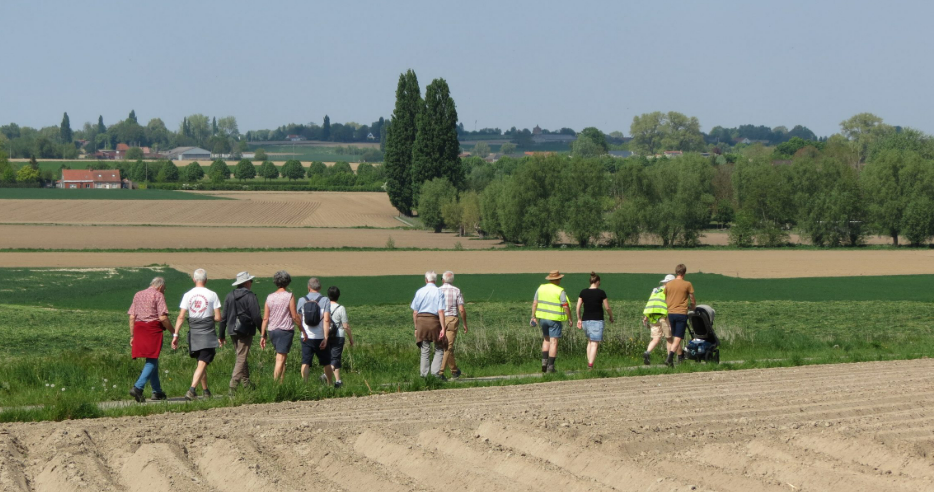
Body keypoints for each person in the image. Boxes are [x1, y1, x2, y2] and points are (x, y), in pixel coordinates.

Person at [172, 269, 224, 401]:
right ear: (206, 280)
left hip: (193, 334)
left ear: (194, 280)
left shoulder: (187, 295)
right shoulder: (212, 295)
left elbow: (181, 317)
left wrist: (175, 335)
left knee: (201, 362)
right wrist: (208, 319)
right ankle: (192, 390)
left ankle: (206, 391)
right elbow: (218, 317)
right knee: (202, 362)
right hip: (207, 333)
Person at [127, 277, 173, 403]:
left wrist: (132, 335)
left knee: (153, 359)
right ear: (160, 287)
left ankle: (156, 391)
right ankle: (138, 387)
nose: (164, 291)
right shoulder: (158, 295)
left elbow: (132, 317)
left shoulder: (138, 294)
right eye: (164, 289)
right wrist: (173, 332)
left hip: (139, 329)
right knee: (152, 359)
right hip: (152, 329)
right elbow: (163, 318)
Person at [219, 271, 263, 392]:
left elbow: (223, 317)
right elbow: (256, 316)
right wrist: (262, 331)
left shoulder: (229, 295)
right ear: (247, 282)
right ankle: (233, 386)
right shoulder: (250, 296)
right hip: (245, 330)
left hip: (232, 330)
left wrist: (221, 334)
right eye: (251, 281)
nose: (251, 283)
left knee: (241, 356)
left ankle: (246, 383)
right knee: (241, 357)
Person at [260, 270, 300, 384]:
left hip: (272, 331)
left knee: (282, 357)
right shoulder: (289, 296)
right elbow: (294, 316)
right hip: (285, 330)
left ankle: (281, 383)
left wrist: (262, 335)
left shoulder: (270, 297)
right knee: (280, 358)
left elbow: (265, 318)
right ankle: (275, 385)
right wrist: (302, 329)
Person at [531, 270, 573, 373]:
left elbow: (535, 303)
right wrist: (570, 318)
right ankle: (551, 367)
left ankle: (544, 363)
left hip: (542, 318)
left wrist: (533, 317)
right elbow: (565, 306)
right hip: (554, 319)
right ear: (558, 279)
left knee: (546, 340)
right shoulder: (560, 291)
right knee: (554, 342)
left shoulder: (541, 288)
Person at [297, 277, 334, 385]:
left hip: (306, 337)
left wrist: (303, 332)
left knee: (305, 362)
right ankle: (330, 384)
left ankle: (304, 384)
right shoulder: (325, 300)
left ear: (308, 287)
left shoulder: (302, 300)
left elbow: (298, 320)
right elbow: (326, 320)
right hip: (320, 337)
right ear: (320, 287)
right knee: (326, 362)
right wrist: (326, 338)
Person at [410, 271, 446, 379]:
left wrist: (416, 327)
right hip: (434, 321)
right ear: (435, 280)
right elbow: (440, 311)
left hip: (421, 321)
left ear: (426, 280)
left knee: (425, 349)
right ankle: (435, 374)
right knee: (439, 347)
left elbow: (415, 312)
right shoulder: (439, 292)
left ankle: (424, 375)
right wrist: (443, 328)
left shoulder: (419, 292)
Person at [576, 272, 614, 370]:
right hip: (597, 321)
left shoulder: (583, 292)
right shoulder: (601, 293)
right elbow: (607, 307)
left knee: (590, 342)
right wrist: (611, 316)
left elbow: (578, 307)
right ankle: (590, 365)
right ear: (597, 281)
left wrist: (579, 319)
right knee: (594, 343)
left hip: (585, 321)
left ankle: (589, 364)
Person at [665, 264, 696, 367]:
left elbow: (665, 297)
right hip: (681, 313)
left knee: (675, 336)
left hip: (671, 313)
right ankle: (670, 356)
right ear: (684, 273)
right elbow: (692, 298)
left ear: (676, 272)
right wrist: (693, 306)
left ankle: (680, 357)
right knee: (678, 337)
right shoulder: (687, 284)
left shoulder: (668, 284)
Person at [438, 271, 468, 379]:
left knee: (445, 346)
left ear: (443, 280)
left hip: (439, 319)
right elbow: (461, 309)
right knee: (448, 346)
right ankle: (440, 372)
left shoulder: (438, 291)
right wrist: (465, 323)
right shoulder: (456, 291)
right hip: (452, 320)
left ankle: (453, 371)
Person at [642, 274, 674, 366]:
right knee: (669, 338)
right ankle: (669, 359)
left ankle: (647, 352)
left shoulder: (655, 290)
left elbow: (651, 303)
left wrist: (646, 317)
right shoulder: (669, 290)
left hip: (652, 316)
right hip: (663, 316)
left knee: (656, 338)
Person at [326, 286, 354, 388]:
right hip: (338, 336)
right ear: (338, 295)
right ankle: (325, 375)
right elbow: (346, 326)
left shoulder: (325, 307)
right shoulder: (341, 308)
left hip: (327, 335)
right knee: (335, 358)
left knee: (332, 358)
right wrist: (351, 338)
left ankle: (338, 381)